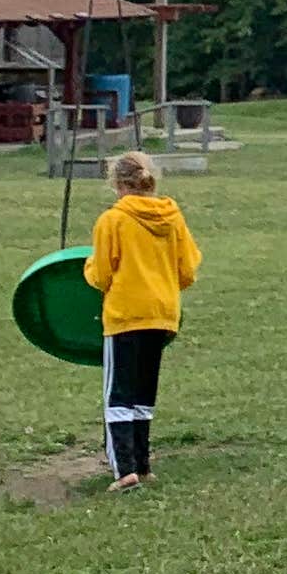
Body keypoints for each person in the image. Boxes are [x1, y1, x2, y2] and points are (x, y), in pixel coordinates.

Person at [83, 147, 202, 491]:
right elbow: (188, 270)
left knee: (118, 392)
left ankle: (124, 469)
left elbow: (102, 274)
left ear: (118, 185)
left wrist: (86, 269)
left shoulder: (113, 220)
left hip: (125, 316)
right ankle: (144, 464)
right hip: (163, 314)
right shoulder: (172, 217)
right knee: (144, 390)